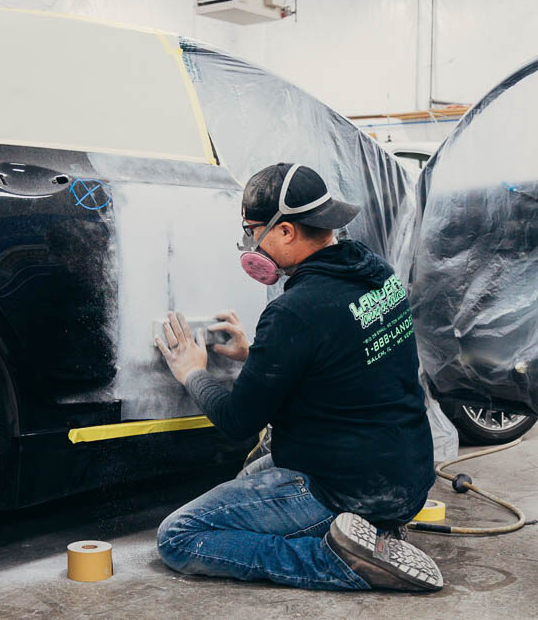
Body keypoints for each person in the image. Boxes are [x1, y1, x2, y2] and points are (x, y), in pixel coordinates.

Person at [153, 162, 442, 593]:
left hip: (341, 488)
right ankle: (375, 534)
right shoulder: (376, 273)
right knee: (249, 479)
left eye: (253, 230)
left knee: (180, 535)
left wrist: (191, 371)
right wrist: (258, 354)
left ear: (286, 231)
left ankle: (340, 560)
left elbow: (237, 422)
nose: (250, 242)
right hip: (406, 478)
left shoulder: (294, 310)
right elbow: (344, 361)